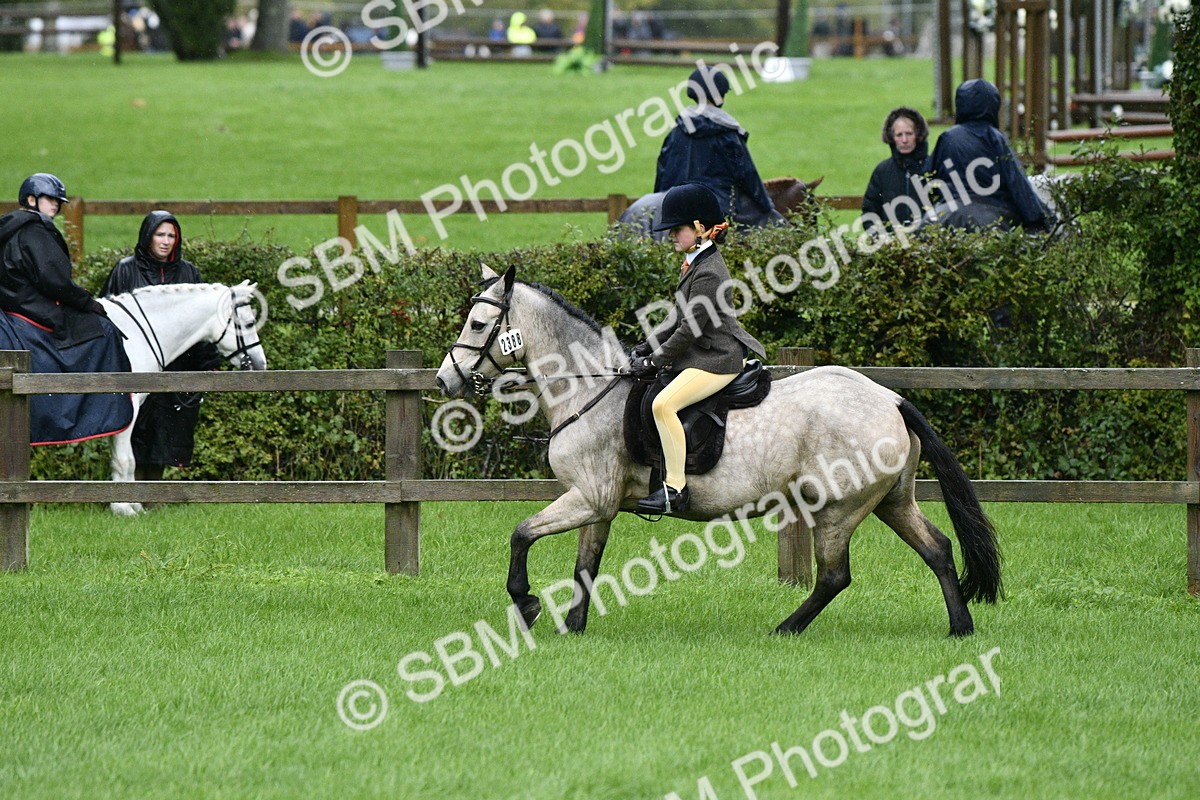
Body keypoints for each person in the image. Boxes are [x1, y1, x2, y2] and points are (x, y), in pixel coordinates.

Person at [629, 184, 766, 515]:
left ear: (700, 228)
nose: (671, 236)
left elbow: (689, 330)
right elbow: (675, 316)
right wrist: (646, 345)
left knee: (664, 405)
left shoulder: (709, 273)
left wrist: (655, 360)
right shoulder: (693, 262)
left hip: (718, 360)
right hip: (700, 356)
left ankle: (674, 489)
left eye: (678, 229)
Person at [0, 174, 132, 444]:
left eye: (57, 202)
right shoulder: (34, 231)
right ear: (31, 199)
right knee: (104, 331)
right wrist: (87, 302)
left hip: (15, 305)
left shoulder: (12, 228)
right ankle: (96, 413)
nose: (55, 207)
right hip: (32, 310)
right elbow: (55, 282)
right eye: (50, 200)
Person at [102, 211, 222, 481]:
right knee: (132, 429)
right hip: (133, 368)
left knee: (165, 432)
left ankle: (152, 493)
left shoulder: (188, 272)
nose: (166, 241)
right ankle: (127, 490)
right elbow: (108, 317)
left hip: (176, 369)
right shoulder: (125, 270)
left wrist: (209, 363)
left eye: (171, 236)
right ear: (148, 236)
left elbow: (201, 321)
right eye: (160, 234)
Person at [655, 66, 783, 228]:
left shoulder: (675, 133)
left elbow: (662, 170)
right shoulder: (728, 134)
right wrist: (766, 206)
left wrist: (657, 202)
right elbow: (747, 174)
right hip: (718, 205)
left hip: (672, 203)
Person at [926, 79, 1055, 232]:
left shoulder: (947, 138)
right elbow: (1017, 183)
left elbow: (929, 179)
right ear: (993, 105)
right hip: (990, 215)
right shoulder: (995, 138)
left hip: (949, 213)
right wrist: (1039, 219)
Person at [861, 106, 930, 230]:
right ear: (891, 137)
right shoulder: (882, 172)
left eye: (909, 134)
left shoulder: (932, 168)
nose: (904, 140)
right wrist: (879, 239)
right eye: (899, 135)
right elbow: (870, 211)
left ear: (918, 135)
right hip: (892, 246)